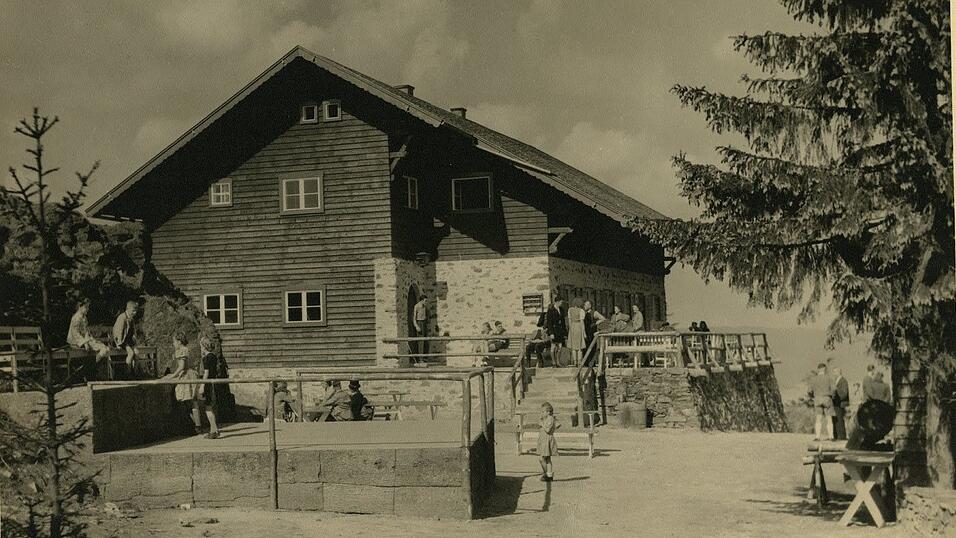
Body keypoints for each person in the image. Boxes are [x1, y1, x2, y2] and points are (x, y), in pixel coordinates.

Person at [166, 332, 203, 435]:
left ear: (179, 341)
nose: (173, 344)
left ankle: (192, 426)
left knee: (187, 401)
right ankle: (196, 426)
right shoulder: (187, 349)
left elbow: (182, 366)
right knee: (192, 401)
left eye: (174, 341)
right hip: (191, 374)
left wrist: (173, 376)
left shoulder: (181, 351)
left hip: (187, 376)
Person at [67, 299, 111, 379]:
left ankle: (91, 369)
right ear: (80, 307)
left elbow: (86, 332)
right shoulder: (76, 318)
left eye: (88, 307)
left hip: (84, 341)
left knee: (105, 349)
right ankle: (91, 371)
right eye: (86, 307)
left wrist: (89, 340)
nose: (88, 309)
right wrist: (84, 343)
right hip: (76, 342)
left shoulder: (84, 318)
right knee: (103, 350)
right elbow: (75, 333)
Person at [199, 336, 222, 439]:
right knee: (212, 408)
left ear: (204, 346)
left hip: (208, 384)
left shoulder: (206, 358)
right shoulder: (214, 356)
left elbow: (206, 373)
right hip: (215, 383)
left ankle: (214, 430)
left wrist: (202, 385)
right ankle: (214, 430)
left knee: (208, 409)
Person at [807, 362, 835, 441]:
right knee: (829, 418)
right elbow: (834, 389)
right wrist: (832, 396)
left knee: (818, 418)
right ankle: (831, 436)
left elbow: (809, 391)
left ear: (818, 369)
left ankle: (817, 436)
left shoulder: (813, 379)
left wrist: (813, 396)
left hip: (817, 399)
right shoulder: (829, 378)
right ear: (824, 369)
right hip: (827, 398)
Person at [112, 300, 139, 376]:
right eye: (133, 311)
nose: (135, 313)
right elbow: (118, 331)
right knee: (130, 353)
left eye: (135, 311)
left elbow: (133, 331)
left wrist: (134, 337)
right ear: (128, 309)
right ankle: (128, 374)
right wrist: (118, 343)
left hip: (129, 341)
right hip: (122, 341)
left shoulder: (131, 319)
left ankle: (135, 373)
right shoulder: (122, 317)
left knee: (137, 353)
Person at [537, 402, 559, 481]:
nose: (541, 413)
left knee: (542, 458)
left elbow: (548, 430)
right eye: (541, 412)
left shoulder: (550, 419)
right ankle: (549, 475)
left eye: (543, 412)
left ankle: (546, 473)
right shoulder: (546, 419)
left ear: (548, 412)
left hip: (547, 440)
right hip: (543, 440)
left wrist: (542, 424)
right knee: (547, 458)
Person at [545, 297, 567, 365]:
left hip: (560, 331)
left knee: (560, 346)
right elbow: (549, 323)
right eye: (560, 302)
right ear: (557, 302)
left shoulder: (561, 309)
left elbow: (563, 321)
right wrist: (551, 333)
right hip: (554, 331)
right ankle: (553, 362)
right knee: (553, 346)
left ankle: (558, 361)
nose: (561, 303)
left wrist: (564, 332)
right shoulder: (550, 310)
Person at [566, 298, 586, 367]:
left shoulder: (570, 310)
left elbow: (569, 321)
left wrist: (570, 329)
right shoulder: (581, 311)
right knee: (579, 346)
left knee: (574, 347)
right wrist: (584, 332)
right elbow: (582, 322)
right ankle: (579, 361)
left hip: (572, 327)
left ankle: (575, 361)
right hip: (578, 327)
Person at [832, 367, 849, 440]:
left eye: (835, 372)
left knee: (839, 420)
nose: (834, 374)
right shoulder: (836, 381)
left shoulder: (843, 381)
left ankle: (841, 436)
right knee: (836, 419)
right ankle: (836, 436)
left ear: (839, 372)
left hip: (840, 403)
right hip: (836, 403)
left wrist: (837, 395)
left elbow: (844, 393)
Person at [412, 294, 429, 362]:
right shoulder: (416, 306)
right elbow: (414, 318)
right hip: (419, 323)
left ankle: (425, 358)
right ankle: (420, 359)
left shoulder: (425, 307)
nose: (426, 302)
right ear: (422, 300)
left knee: (426, 341)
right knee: (420, 342)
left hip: (424, 323)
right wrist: (416, 326)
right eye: (425, 301)